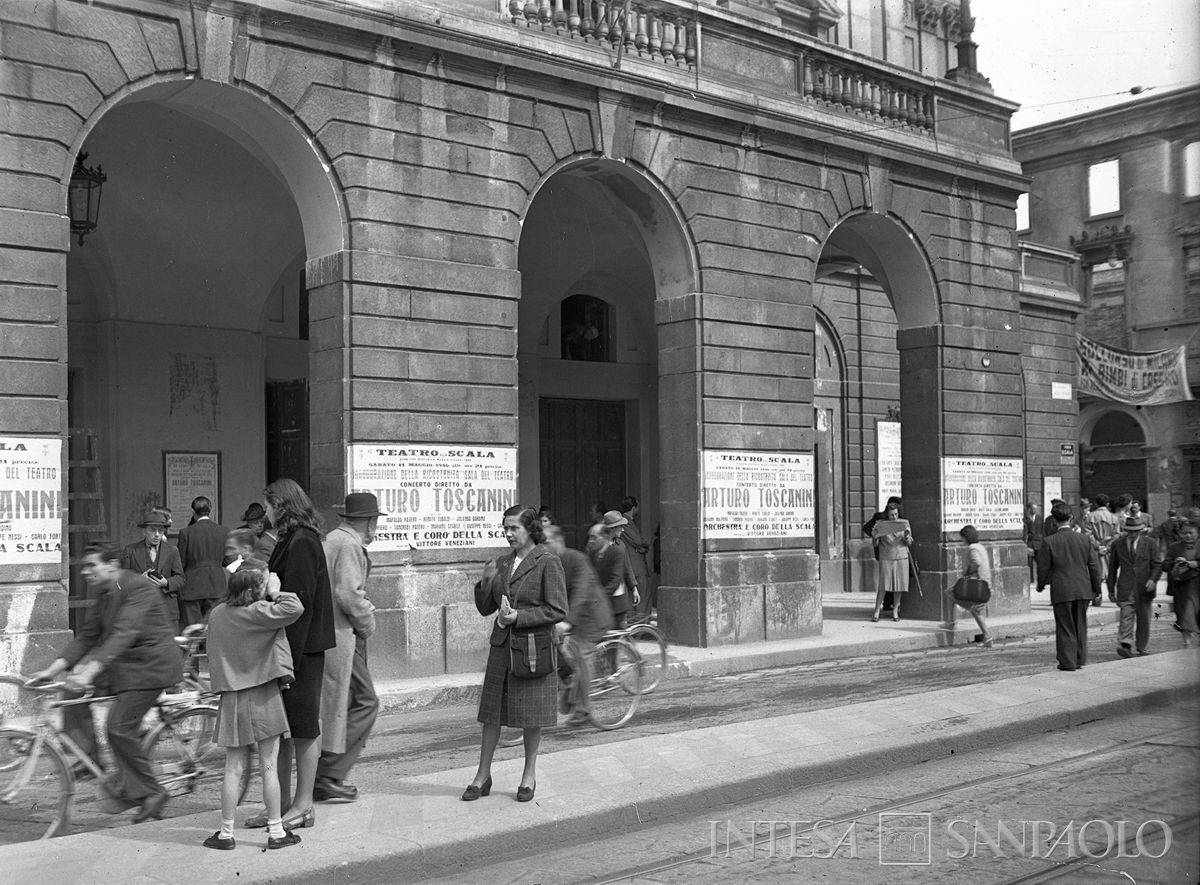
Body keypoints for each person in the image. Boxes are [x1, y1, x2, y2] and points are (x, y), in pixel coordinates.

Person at [29, 540, 183, 823]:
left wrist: (90, 670)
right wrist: (54, 670)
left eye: (92, 565)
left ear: (112, 565)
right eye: (84, 566)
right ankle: (90, 759)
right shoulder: (104, 593)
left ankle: (152, 793)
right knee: (69, 691)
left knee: (118, 727)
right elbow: (88, 635)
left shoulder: (137, 587)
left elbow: (123, 633)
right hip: (125, 664)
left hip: (151, 666)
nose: (85, 572)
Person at [244, 478, 335, 831]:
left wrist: (288, 663)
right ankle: (278, 805)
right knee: (280, 730)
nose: (265, 511)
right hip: (289, 649)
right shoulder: (290, 539)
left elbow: (299, 605)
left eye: (268, 504)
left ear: (281, 505)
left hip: (301, 651)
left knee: (303, 729)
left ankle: (303, 805)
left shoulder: (302, 542)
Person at [463, 505, 567, 803]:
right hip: (502, 650)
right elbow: (486, 608)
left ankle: (528, 775)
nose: (508, 533)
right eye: (505, 528)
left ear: (530, 529)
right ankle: (482, 776)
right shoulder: (502, 563)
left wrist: (518, 616)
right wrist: (485, 583)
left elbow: (557, 609)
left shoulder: (547, 562)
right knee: (491, 715)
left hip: (534, 649)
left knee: (530, 716)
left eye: (514, 528)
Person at [203, 563, 303, 850]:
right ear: (252, 590)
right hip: (264, 695)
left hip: (232, 696)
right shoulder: (260, 612)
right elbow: (294, 608)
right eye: (261, 586)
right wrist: (276, 591)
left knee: (233, 767)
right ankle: (276, 832)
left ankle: (225, 834)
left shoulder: (218, 614)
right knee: (269, 765)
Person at [315, 493, 382, 803]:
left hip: (329, 635)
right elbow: (349, 595)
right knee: (366, 702)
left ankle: (325, 771)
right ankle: (328, 774)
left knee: (340, 704)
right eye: (376, 521)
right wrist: (368, 623)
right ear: (368, 522)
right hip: (343, 636)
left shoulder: (332, 539)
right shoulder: (350, 545)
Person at [544, 522, 612, 726]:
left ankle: (583, 709)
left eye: (546, 542)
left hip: (592, 617)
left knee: (581, 654)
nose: (543, 546)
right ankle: (572, 688)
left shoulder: (576, 559)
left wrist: (567, 622)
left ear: (558, 541)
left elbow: (581, 592)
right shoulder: (548, 562)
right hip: (572, 617)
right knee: (555, 651)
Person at [1036, 504, 1103, 671]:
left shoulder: (1049, 541)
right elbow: (1094, 566)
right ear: (1071, 518)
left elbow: (1043, 568)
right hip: (1082, 588)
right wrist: (1097, 589)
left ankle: (1068, 661)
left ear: (1054, 521)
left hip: (1062, 589)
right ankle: (1080, 659)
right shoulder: (1084, 539)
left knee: (1065, 626)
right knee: (1080, 623)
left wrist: (1041, 585)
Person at [120, 507, 185, 624]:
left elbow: (181, 579)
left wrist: (166, 583)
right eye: (152, 530)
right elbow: (121, 580)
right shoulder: (131, 550)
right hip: (140, 611)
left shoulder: (172, 551)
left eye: (160, 531)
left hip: (167, 611)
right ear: (144, 531)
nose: (156, 535)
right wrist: (139, 579)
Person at [1108, 516, 1158, 658]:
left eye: (1135, 531)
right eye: (1129, 531)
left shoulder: (1150, 543)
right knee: (1126, 616)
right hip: (1126, 587)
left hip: (1145, 587)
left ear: (1140, 530)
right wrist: (1111, 589)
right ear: (1125, 530)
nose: (1132, 534)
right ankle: (1125, 644)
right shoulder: (1117, 544)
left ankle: (1142, 647)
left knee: (1144, 619)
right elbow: (1112, 569)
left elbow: (1157, 564)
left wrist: (1152, 579)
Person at [178, 496, 228, 627]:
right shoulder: (223, 531)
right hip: (216, 585)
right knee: (214, 628)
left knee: (193, 631)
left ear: (193, 512)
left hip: (192, 585)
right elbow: (227, 560)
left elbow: (181, 563)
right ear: (210, 510)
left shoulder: (186, 532)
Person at [940, 525, 993, 647]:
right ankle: (987, 637)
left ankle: (951, 622)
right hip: (984, 585)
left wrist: (967, 572)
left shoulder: (972, 548)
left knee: (950, 593)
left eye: (962, 538)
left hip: (977, 586)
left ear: (966, 537)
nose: (961, 540)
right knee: (975, 611)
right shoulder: (980, 546)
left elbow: (976, 562)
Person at [587, 513, 640, 629]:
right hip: (601, 595)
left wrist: (634, 587)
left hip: (616, 598)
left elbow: (627, 567)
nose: (622, 529)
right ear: (612, 529)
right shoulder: (595, 546)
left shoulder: (620, 546)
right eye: (620, 526)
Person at [1153, 521, 1200, 649]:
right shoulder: (1175, 547)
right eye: (1185, 533)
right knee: (1186, 613)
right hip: (1183, 587)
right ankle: (1187, 643)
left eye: (1191, 533)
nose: (1188, 536)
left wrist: (1194, 563)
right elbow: (1164, 564)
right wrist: (1176, 563)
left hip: (1197, 585)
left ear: (1197, 533)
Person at [871, 499, 912, 622]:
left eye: (896, 514)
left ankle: (895, 611)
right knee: (883, 585)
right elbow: (875, 544)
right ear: (887, 515)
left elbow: (910, 543)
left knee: (899, 586)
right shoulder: (881, 524)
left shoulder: (904, 523)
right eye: (891, 515)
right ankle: (877, 610)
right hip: (886, 556)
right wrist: (875, 536)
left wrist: (907, 537)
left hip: (901, 556)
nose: (894, 517)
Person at [864, 496, 902, 611]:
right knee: (887, 579)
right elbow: (867, 528)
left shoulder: (900, 519)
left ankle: (889, 603)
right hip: (884, 552)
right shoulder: (879, 517)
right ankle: (886, 603)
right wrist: (876, 536)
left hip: (897, 553)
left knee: (894, 579)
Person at [620, 496, 654, 618]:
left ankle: (637, 624)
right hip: (636, 566)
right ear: (634, 507)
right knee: (642, 596)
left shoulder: (628, 521)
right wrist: (644, 545)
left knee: (636, 597)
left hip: (634, 565)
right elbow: (639, 542)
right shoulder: (626, 521)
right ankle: (640, 624)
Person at [1023, 501, 1044, 589]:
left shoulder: (1039, 518)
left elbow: (1043, 531)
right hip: (1030, 543)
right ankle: (1031, 580)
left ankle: (1040, 581)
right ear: (1029, 509)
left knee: (1040, 563)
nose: (1034, 510)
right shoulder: (1026, 519)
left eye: (1035, 508)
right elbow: (1025, 532)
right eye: (1032, 508)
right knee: (1029, 563)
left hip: (1039, 543)